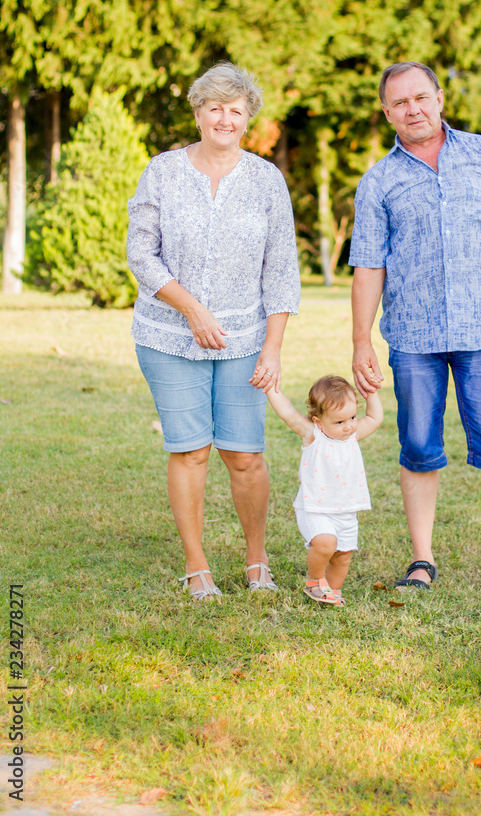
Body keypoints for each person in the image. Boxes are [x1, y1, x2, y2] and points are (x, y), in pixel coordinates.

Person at [349, 61, 481, 591]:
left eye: (420, 97)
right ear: (387, 112)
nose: (412, 109)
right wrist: (360, 339)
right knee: (417, 447)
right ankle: (421, 560)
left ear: (438, 97)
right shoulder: (379, 181)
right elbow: (368, 266)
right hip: (412, 339)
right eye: (399, 103)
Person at [127, 62, 300, 602]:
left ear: (247, 118)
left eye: (235, 109)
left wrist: (272, 349)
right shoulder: (162, 171)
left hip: (245, 341)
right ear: (198, 113)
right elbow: (141, 254)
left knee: (245, 454)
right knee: (191, 451)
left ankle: (256, 560)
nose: (225, 118)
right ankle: (197, 566)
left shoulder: (267, 180)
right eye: (215, 108)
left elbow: (281, 271)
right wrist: (193, 310)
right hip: (166, 337)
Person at [267, 376, 383, 606]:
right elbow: (287, 411)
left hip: (346, 510)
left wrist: (371, 391)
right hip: (316, 508)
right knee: (326, 543)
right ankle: (314, 581)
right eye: (339, 422)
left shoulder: (352, 436)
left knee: (343, 555)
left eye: (352, 417)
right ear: (318, 421)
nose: (348, 425)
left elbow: (375, 417)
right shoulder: (313, 435)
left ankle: (332, 590)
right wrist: (270, 387)